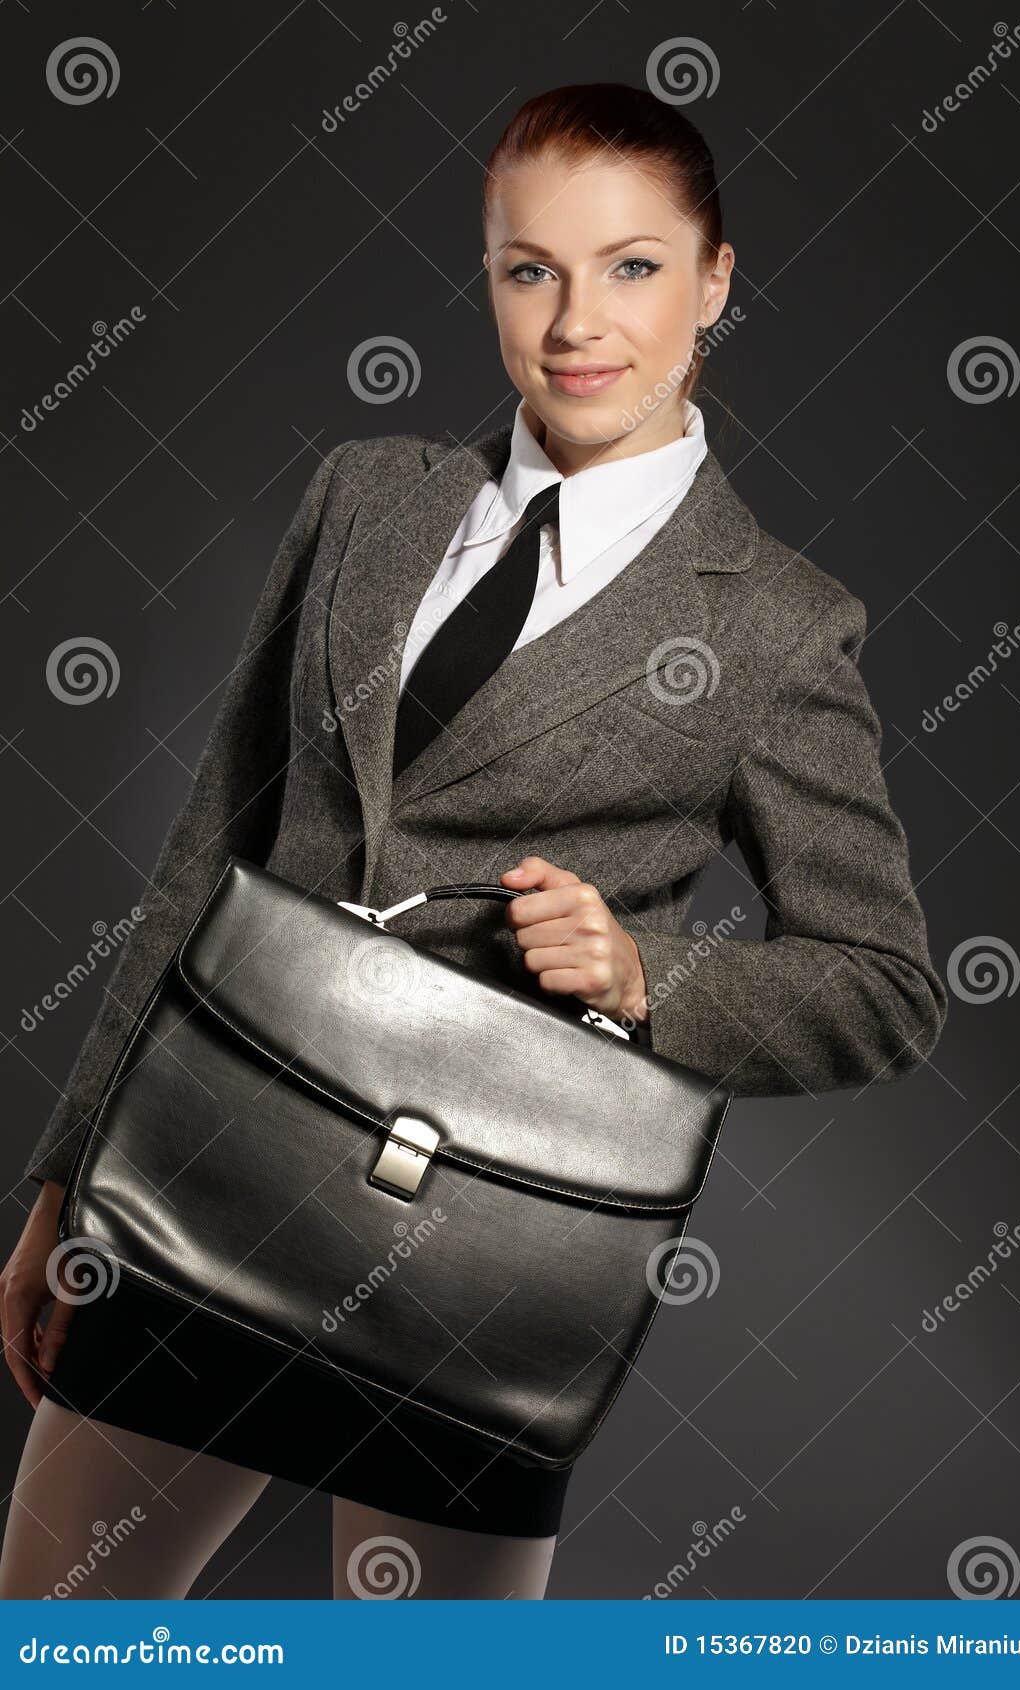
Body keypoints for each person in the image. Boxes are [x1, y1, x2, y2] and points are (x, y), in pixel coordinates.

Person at [0, 82, 947, 1601]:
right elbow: (211, 849)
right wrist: (68, 1175)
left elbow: (888, 984)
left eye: (633, 267)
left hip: (485, 1257)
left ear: (714, 282)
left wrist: (650, 975)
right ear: (490, 275)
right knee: (53, 1633)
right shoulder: (366, 496)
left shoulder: (774, 623)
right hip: (211, 1169)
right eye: (532, 267)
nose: (579, 320)